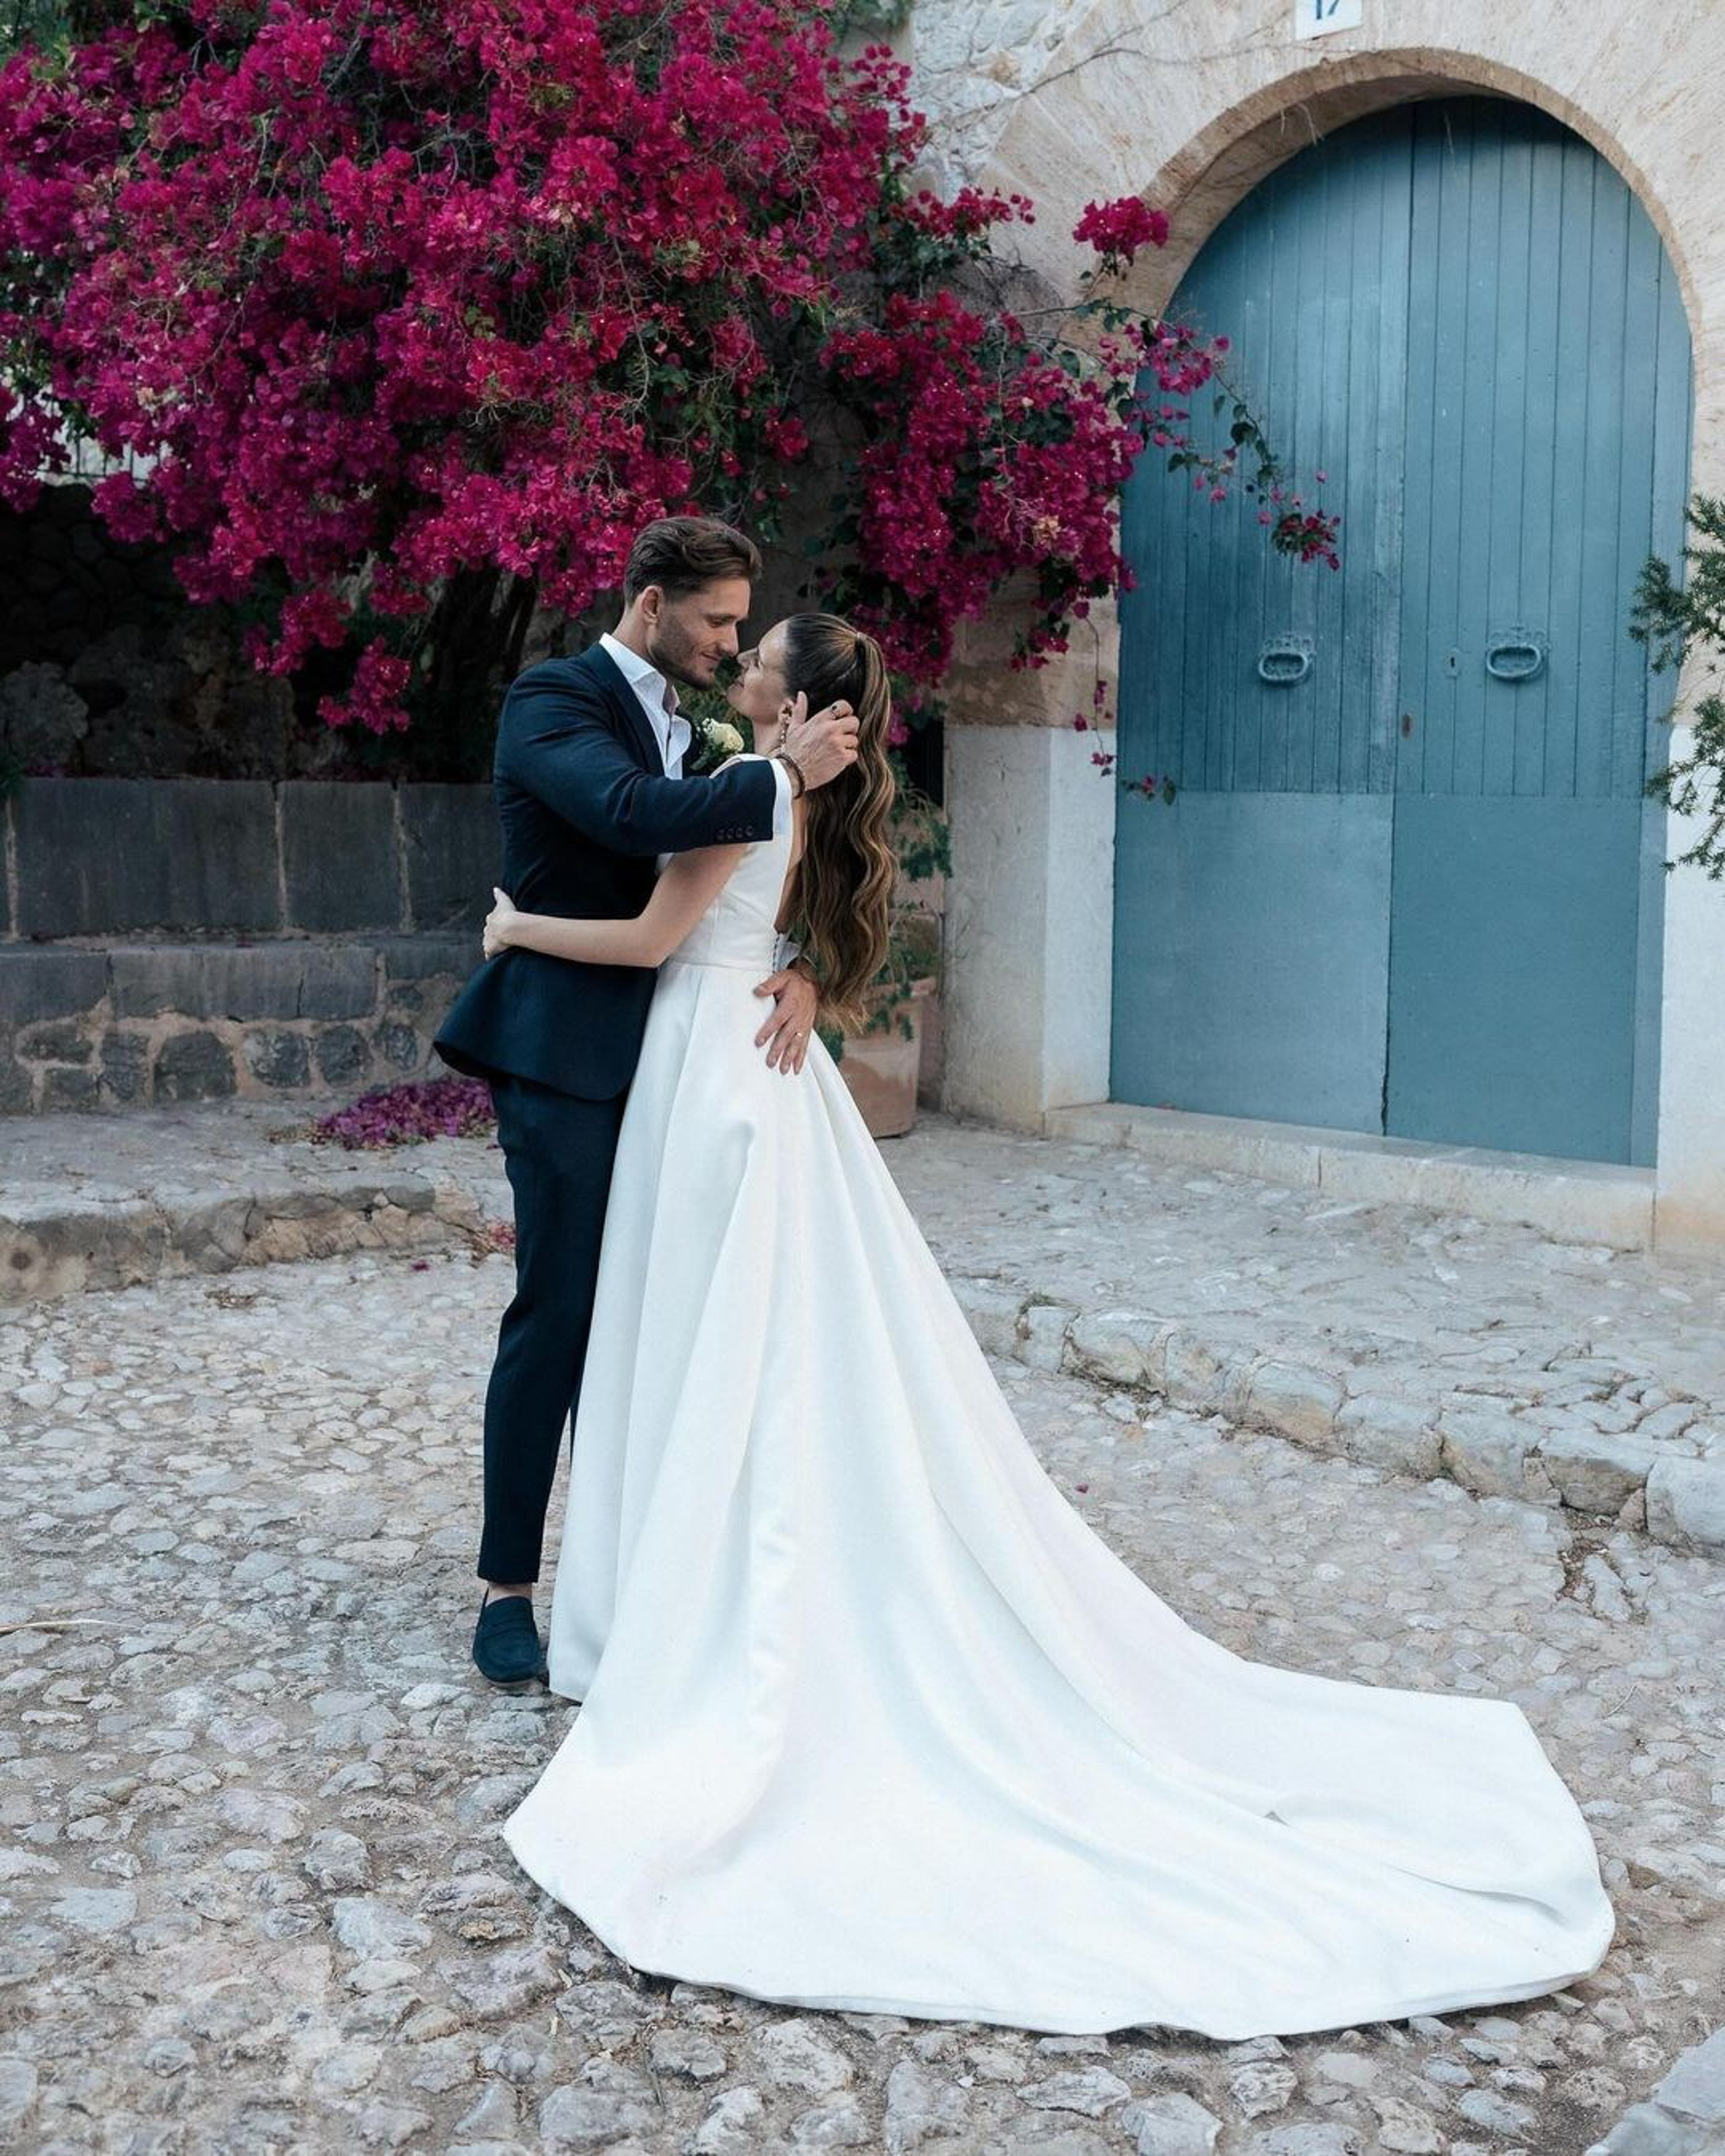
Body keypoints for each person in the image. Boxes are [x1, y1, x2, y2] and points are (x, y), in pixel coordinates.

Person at [478, 609, 1617, 2039]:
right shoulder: (783, 789)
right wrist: (803, 947)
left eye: (756, 648)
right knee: (759, 1346)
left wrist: (515, 925)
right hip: (755, 1082)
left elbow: (657, 934)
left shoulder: (747, 781)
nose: (742, 655)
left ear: (792, 699)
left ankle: (684, 1604)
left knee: (705, 1345)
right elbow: (786, 901)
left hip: (709, 1078)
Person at [433, 517, 860, 1687]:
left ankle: (645, 1572)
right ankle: (506, 1589)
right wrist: (782, 773)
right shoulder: (551, 700)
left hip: (690, 1067)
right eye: (717, 621)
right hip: (570, 1057)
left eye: (741, 627)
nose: (729, 643)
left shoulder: (709, 728)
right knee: (562, 1312)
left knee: (667, 1322)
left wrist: (808, 964)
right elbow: (628, 815)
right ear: (652, 601)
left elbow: (792, 872)